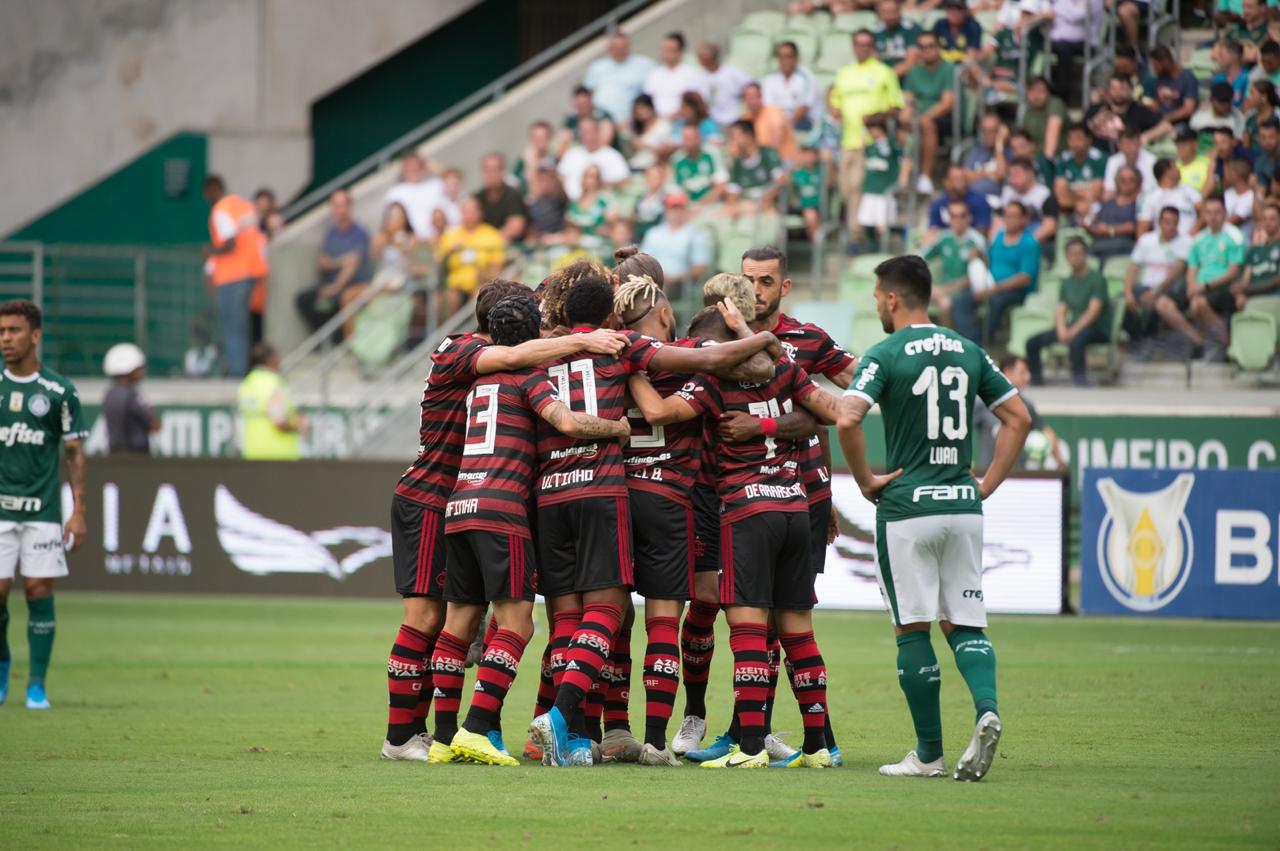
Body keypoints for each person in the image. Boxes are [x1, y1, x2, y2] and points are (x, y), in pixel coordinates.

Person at [527, 274, 785, 768]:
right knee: (661, 621)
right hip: (664, 501)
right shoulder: (656, 354)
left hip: (607, 491)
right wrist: (755, 331)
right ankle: (653, 742)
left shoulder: (566, 352)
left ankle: (586, 732)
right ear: (665, 313)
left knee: (594, 620)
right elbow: (738, 365)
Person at [383, 279, 630, 763]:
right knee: (454, 618)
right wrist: (586, 342)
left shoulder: (486, 374)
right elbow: (562, 414)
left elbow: (522, 347)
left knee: (460, 619)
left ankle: (444, 735)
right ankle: (418, 734)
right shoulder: (467, 352)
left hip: (458, 498)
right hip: (442, 498)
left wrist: (577, 303)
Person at [836, 255, 1031, 781]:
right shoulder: (969, 350)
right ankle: (987, 708)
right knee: (964, 620)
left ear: (893, 299)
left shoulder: (886, 352)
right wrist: (984, 484)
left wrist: (864, 481)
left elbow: (847, 417)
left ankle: (928, 755)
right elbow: (1019, 418)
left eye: (878, 296)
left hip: (906, 509)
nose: (877, 303)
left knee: (912, 628)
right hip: (963, 507)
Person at [627, 306, 847, 770]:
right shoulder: (787, 368)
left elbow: (658, 411)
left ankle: (749, 749)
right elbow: (834, 412)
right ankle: (818, 746)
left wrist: (627, 366)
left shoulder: (713, 381)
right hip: (793, 505)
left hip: (747, 511)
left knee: (746, 629)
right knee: (798, 633)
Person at [0, 300, 88, 711]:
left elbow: (73, 453)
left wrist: (79, 510)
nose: (6, 339)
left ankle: (36, 684)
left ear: (35, 335)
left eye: (14, 331)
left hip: (42, 511)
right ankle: (3, 662)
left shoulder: (58, 391)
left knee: (37, 590)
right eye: (1, 332)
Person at [831, 29, 905, 245]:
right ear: (853, 47)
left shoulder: (884, 72)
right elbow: (836, 104)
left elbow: (895, 106)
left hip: (871, 143)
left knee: (859, 188)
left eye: (866, 44)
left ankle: (858, 235)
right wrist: (835, 112)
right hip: (847, 141)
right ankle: (858, 231)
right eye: (858, 44)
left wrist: (875, 118)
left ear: (872, 47)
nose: (862, 48)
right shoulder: (844, 73)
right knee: (846, 190)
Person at [1155, 195, 1245, 361]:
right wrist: (1191, 285)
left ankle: (1227, 342)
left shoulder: (1234, 236)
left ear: (1225, 214)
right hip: (1197, 286)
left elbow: (1233, 272)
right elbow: (1192, 268)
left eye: (1217, 212)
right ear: (1203, 215)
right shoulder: (1199, 239)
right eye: (1209, 212)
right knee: (1162, 303)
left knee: (1198, 304)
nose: (1213, 216)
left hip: (1221, 288)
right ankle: (1198, 339)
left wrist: (1203, 287)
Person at [203, 175, 266, 378]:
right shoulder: (242, 205)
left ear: (214, 189)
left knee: (232, 328)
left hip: (233, 275)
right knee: (242, 327)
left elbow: (229, 243)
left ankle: (237, 375)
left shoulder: (221, 209)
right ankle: (242, 370)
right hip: (252, 272)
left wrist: (210, 252)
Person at [1025, 238, 1111, 385]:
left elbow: (1093, 312)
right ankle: (1036, 379)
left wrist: (1072, 331)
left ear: (1085, 255)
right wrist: (1062, 329)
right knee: (1032, 342)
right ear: (1066, 257)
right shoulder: (1067, 282)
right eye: (1071, 254)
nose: (1075, 257)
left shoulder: (1097, 279)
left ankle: (1079, 378)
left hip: (1097, 328)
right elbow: (1061, 309)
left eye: (1079, 253)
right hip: (1073, 326)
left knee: (1077, 340)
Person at [953, 200, 1040, 344]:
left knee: (995, 301)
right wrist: (978, 256)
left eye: (1014, 216)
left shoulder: (1029, 243)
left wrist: (994, 289)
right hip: (990, 284)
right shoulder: (999, 237)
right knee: (961, 300)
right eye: (1007, 216)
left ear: (1024, 219)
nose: (1009, 220)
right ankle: (970, 340)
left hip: (1014, 291)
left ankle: (982, 343)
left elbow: (1024, 278)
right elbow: (989, 259)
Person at [294, 189, 372, 335]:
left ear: (349, 207)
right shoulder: (331, 233)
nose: (340, 210)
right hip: (329, 284)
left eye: (343, 205)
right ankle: (325, 342)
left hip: (351, 286)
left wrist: (335, 287)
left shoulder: (359, 233)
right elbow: (322, 263)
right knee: (304, 299)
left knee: (338, 301)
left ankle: (336, 341)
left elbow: (352, 265)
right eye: (336, 205)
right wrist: (339, 262)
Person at [972, 355, 1066, 471]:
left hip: (1018, 478)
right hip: (987, 478)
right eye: (1023, 372)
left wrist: (1060, 462)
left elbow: (1046, 431)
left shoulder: (1026, 406)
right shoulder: (983, 404)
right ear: (1007, 373)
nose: (1028, 377)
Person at [1126, 206, 1192, 343]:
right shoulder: (1146, 240)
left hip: (1172, 289)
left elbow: (1175, 273)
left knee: (1153, 302)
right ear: (1159, 222)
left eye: (1175, 222)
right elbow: (1132, 268)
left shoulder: (1186, 242)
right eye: (1167, 222)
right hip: (1145, 286)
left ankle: (1148, 343)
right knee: (1132, 302)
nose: (1171, 226)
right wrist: (1128, 293)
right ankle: (1144, 342)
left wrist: (1155, 291)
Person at [901, 31, 955, 194]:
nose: (927, 50)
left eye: (931, 46)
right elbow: (909, 98)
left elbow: (947, 103)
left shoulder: (948, 69)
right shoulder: (915, 71)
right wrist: (907, 113)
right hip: (917, 116)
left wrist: (921, 118)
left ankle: (925, 176)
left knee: (925, 123)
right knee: (900, 122)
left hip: (943, 118)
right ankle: (902, 177)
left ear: (938, 48)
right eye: (923, 47)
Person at [437, 198, 507, 319]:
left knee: (480, 297)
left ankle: (477, 334)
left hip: (481, 283)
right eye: (465, 212)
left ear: (480, 213)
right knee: (448, 298)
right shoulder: (450, 235)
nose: (468, 215)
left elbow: (497, 267)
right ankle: (450, 333)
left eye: (472, 212)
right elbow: (440, 265)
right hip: (455, 284)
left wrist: (486, 275)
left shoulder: (492, 235)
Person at [924, 200, 988, 328]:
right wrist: (925, 242)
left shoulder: (976, 241)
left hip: (965, 291)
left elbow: (978, 275)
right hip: (942, 287)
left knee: (945, 304)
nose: (957, 219)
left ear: (969, 217)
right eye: (953, 215)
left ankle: (947, 343)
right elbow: (920, 257)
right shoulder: (944, 237)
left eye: (962, 215)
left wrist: (945, 289)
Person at [237, 343, 306, 460]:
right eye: (277, 357)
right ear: (270, 360)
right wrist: (299, 425)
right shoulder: (274, 384)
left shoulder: (247, 384)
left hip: (252, 454)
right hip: (278, 456)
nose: (280, 361)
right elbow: (279, 421)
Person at [638, 193, 712, 289]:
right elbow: (642, 261)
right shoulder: (653, 233)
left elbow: (700, 267)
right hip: (652, 280)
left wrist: (676, 278)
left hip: (681, 285)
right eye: (673, 209)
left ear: (686, 210)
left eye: (680, 208)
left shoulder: (695, 234)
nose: (677, 213)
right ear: (666, 211)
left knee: (663, 287)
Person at [1085, 74, 1174, 153]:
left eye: (1122, 89)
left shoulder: (1139, 111)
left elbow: (1166, 126)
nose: (1118, 93)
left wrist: (1144, 137)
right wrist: (1094, 122)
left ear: (1131, 90)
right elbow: (1080, 131)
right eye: (1114, 89)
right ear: (1108, 90)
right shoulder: (1096, 109)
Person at [583, 32, 656, 124]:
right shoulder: (597, 67)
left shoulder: (645, 65)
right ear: (609, 48)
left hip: (630, 122)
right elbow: (587, 95)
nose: (619, 50)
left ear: (628, 46)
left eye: (622, 47)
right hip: (600, 122)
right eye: (616, 47)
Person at [858, 116, 909, 245]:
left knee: (883, 223)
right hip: (870, 188)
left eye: (875, 128)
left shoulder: (892, 145)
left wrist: (903, 179)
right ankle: (873, 246)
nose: (872, 132)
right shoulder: (871, 147)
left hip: (885, 190)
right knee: (866, 221)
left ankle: (899, 238)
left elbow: (906, 161)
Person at [101, 343, 159, 455]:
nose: (141, 371)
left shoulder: (109, 394)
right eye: (138, 368)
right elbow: (155, 424)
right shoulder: (132, 395)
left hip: (113, 455)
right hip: (136, 457)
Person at [557, 117, 631, 202]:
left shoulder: (612, 156)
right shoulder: (571, 154)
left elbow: (624, 182)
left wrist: (601, 185)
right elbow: (560, 177)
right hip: (570, 205)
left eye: (589, 131)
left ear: (598, 132)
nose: (586, 136)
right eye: (583, 132)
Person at [1049, 0, 1105, 108]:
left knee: (1064, 50)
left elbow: (1078, 16)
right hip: (1059, 42)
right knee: (1062, 49)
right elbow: (1054, 12)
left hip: (1086, 43)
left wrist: (1065, 11)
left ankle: (1062, 96)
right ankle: (1058, 94)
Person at [726, 119, 789, 213]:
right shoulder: (736, 163)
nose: (732, 141)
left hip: (767, 207)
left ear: (749, 136)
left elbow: (781, 181)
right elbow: (732, 193)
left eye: (734, 136)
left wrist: (762, 202)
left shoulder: (768, 154)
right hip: (746, 208)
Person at [643, 32, 709, 119]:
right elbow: (647, 100)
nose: (666, 53)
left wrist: (677, 115)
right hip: (657, 122)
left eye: (670, 50)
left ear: (680, 52)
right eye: (664, 49)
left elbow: (698, 102)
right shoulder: (654, 74)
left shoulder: (692, 74)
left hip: (683, 122)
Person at [998, 158, 1059, 249]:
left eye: (1017, 174)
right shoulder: (1007, 192)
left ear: (1030, 173)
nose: (1012, 179)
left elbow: (1050, 226)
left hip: (1036, 242)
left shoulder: (1044, 195)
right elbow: (998, 220)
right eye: (1010, 175)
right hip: (1009, 240)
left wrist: (1027, 244)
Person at [1085, 164, 1141, 262]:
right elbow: (1096, 220)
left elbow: (1134, 226)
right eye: (1123, 180)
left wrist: (1110, 230)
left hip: (1125, 242)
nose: (1127, 183)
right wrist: (1090, 226)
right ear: (1117, 182)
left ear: (1138, 182)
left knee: (1088, 250)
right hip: (1101, 240)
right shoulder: (1109, 202)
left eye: (1131, 180)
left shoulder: (1140, 202)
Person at [763, 41, 823, 131]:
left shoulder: (807, 78)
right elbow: (768, 108)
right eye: (781, 57)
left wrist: (785, 126)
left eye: (788, 57)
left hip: (804, 122)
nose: (784, 61)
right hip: (779, 122)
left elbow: (804, 108)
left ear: (796, 58)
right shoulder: (770, 80)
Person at [385, 154, 447, 240]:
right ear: (403, 170)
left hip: (442, 235)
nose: (414, 170)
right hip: (412, 241)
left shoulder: (436, 184)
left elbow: (451, 178)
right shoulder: (395, 192)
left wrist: (432, 166)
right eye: (410, 168)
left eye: (417, 166)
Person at [1053, 121, 1107, 215]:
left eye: (1078, 138)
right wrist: (1078, 199)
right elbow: (1060, 194)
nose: (1074, 143)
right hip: (1069, 207)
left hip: (1094, 205)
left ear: (1089, 140)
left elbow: (1095, 193)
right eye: (1071, 139)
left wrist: (1071, 194)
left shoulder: (1099, 159)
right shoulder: (1063, 159)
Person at [1143, 45, 1201, 132]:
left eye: (1156, 65)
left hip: (1179, 123)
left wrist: (1166, 118)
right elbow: (1157, 102)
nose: (1154, 69)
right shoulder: (1161, 78)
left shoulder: (1187, 78)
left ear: (1165, 62)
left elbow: (1188, 109)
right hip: (1158, 120)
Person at [1138, 159, 1202, 237]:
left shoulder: (1189, 191)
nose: (1179, 170)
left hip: (1190, 241)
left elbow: (1204, 212)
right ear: (1166, 172)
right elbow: (1143, 228)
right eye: (1175, 167)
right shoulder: (1150, 197)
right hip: (1163, 244)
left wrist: (1194, 231)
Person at [696, 42, 753, 127]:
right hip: (711, 122)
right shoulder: (698, 76)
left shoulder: (731, 73)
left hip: (733, 119)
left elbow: (751, 85)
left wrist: (743, 96)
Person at [671, 125, 728, 208]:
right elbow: (676, 189)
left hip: (714, 205)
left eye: (691, 138)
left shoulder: (711, 153)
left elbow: (721, 183)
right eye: (685, 138)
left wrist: (702, 204)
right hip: (689, 208)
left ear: (699, 137)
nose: (688, 142)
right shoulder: (677, 159)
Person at [927, 165, 992, 238]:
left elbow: (982, 232)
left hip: (970, 244)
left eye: (964, 178)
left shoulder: (979, 201)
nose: (962, 182)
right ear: (947, 182)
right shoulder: (938, 205)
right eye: (957, 179)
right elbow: (932, 231)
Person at [475, 153, 527, 243]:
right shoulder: (477, 198)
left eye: (494, 170)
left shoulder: (513, 195)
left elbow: (516, 227)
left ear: (503, 171)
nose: (491, 174)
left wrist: (491, 240)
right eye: (487, 170)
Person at [1237, 201, 1280, 307]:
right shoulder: (1254, 250)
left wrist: (1249, 290)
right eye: (1264, 219)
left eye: (1272, 218)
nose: (1268, 222)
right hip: (1252, 296)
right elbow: (1245, 279)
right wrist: (1240, 293)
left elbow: (1278, 280)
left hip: (1274, 295)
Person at [559, 85, 616, 155]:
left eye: (584, 103)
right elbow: (562, 147)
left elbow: (605, 142)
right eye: (579, 104)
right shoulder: (571, 120)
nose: (582, 107)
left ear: (590, 100)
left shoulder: (602, 116)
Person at [873, 0, 923, 77]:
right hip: (882, 76)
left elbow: (912, 61)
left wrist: (889, 76)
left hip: (907, 77)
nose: (889, 16)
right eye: (885, 12)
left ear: (899, 10)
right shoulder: (876, 31)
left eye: (892, 12)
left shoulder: (912, 29)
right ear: (879, 13)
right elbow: (874, 59)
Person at [961, 113, 1006, 199]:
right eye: (985, 131)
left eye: (992, 130)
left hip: (994, 200)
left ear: (1000, 131)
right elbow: (965, 176)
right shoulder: (976, 151)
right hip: (970, 197)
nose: (988, 134)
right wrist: (988, 174)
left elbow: (1001, 175)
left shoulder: (1006, 152)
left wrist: (999, 144)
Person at [1020, 78, 1066, 159]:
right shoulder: (1028, 113)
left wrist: (1046, 161)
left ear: (1049, 93)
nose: (1036, 95)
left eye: (1040, 91)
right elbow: (1025, 141)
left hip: (1058, 158)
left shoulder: (1055, 103)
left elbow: (1053, 134)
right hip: (1036, 158)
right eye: (1032, 90)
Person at [1103, 130, 1157, 198]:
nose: (1132, 148)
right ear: (1119, 145)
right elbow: (1109, 189)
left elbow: (1152, 189)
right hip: (1121, 199)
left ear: (1140, 143)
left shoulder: (1152, 161)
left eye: (1134, 144)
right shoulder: (1113, 161)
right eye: (1127, 144)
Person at [626, 94, 673, 171]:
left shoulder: (663, 125)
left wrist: (645, 145)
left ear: (651, 108)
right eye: (637, 109)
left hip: (653, 168)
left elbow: (667, 152)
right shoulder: (636, 128)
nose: (640, 112)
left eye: (643, 108)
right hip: (635, 166)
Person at [933, 0, 982, 65]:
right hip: (940, 64)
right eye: (950, 8)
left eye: (958, 9)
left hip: (962, 65)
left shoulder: (972, 26)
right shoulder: (940, 24)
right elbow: (932, 47)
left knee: (971, 65)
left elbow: (972, 53)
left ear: (965, 11)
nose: (953, 12)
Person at [514, 121, 554, 198]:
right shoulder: (522, 160)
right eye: (536, 138)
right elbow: (513, 182)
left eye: (543, 137)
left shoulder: (555, 159)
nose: (539, 141)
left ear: (549, 138)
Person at [791, 146, 824, 241]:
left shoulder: (822, 172)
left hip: (818, 207)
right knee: (810, 214)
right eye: (805, 154)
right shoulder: (797, 173)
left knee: (811, 215)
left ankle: (817, 247)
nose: (808, 157)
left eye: (811, 154)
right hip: (799, 208)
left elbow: (830, 182)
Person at [1224, 158, 1258, 240]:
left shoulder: (1252, 195)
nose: (1225, 175)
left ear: (1235, 174)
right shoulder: (1228, 193)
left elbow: (1236, 219)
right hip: (1224, 239)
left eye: (1228, 172)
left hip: (1243, 241)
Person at [1212, 38, 1251, 108]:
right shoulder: (1218, 79)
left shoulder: (1248, 78)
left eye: (1221, 55)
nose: (1218, 58)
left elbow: (1248, 105)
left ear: (1234, 56)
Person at [1176, 128, 1215, 196]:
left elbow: (1211, 184)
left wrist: (1198, 201)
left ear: (1195, 144)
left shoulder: (1209, 162)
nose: (1180, 147)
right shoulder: (1173, 167)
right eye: (1178, 144)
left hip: (1202, 201)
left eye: (1184, 143)